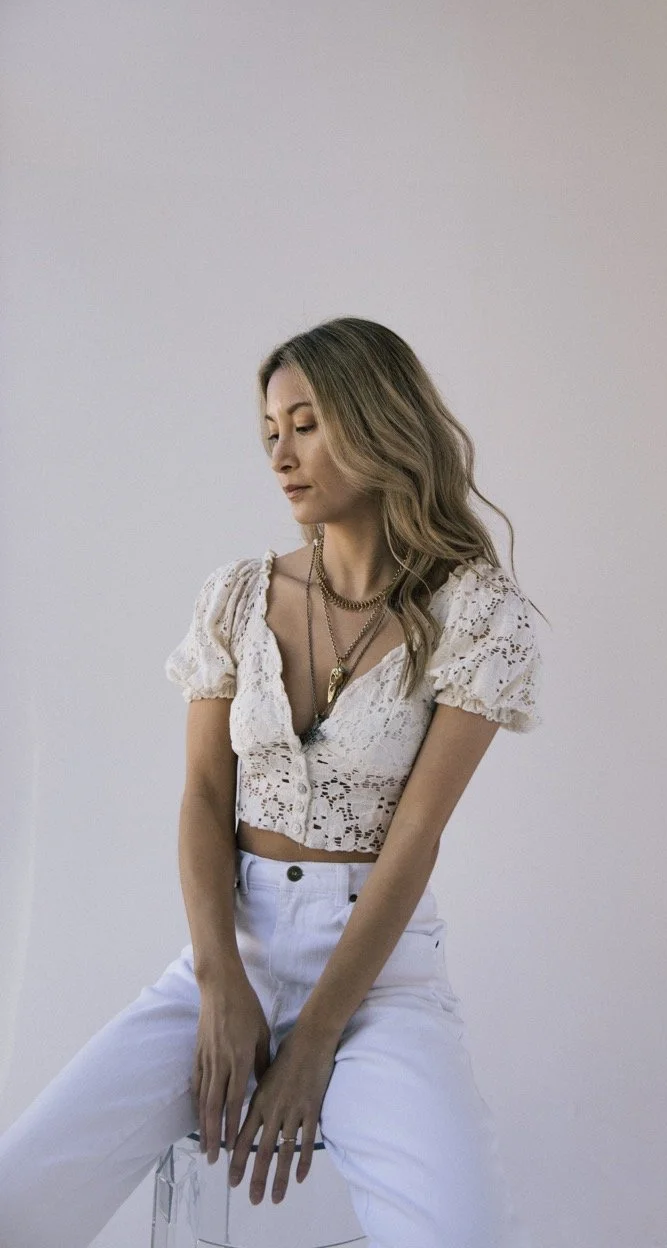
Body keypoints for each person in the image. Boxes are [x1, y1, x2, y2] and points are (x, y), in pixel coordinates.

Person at [0, 316, 545, 1248]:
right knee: (22, 1196)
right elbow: (206, 801)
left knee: (462, 1230)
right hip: (232, 951)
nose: (281, 454)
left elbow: (413, 839)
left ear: (377, 420)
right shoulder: (237, 596)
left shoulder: (480, 615)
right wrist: (217, 984)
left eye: (306, 423)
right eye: (269, 432)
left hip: (379, 981)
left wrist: (318, 1039)